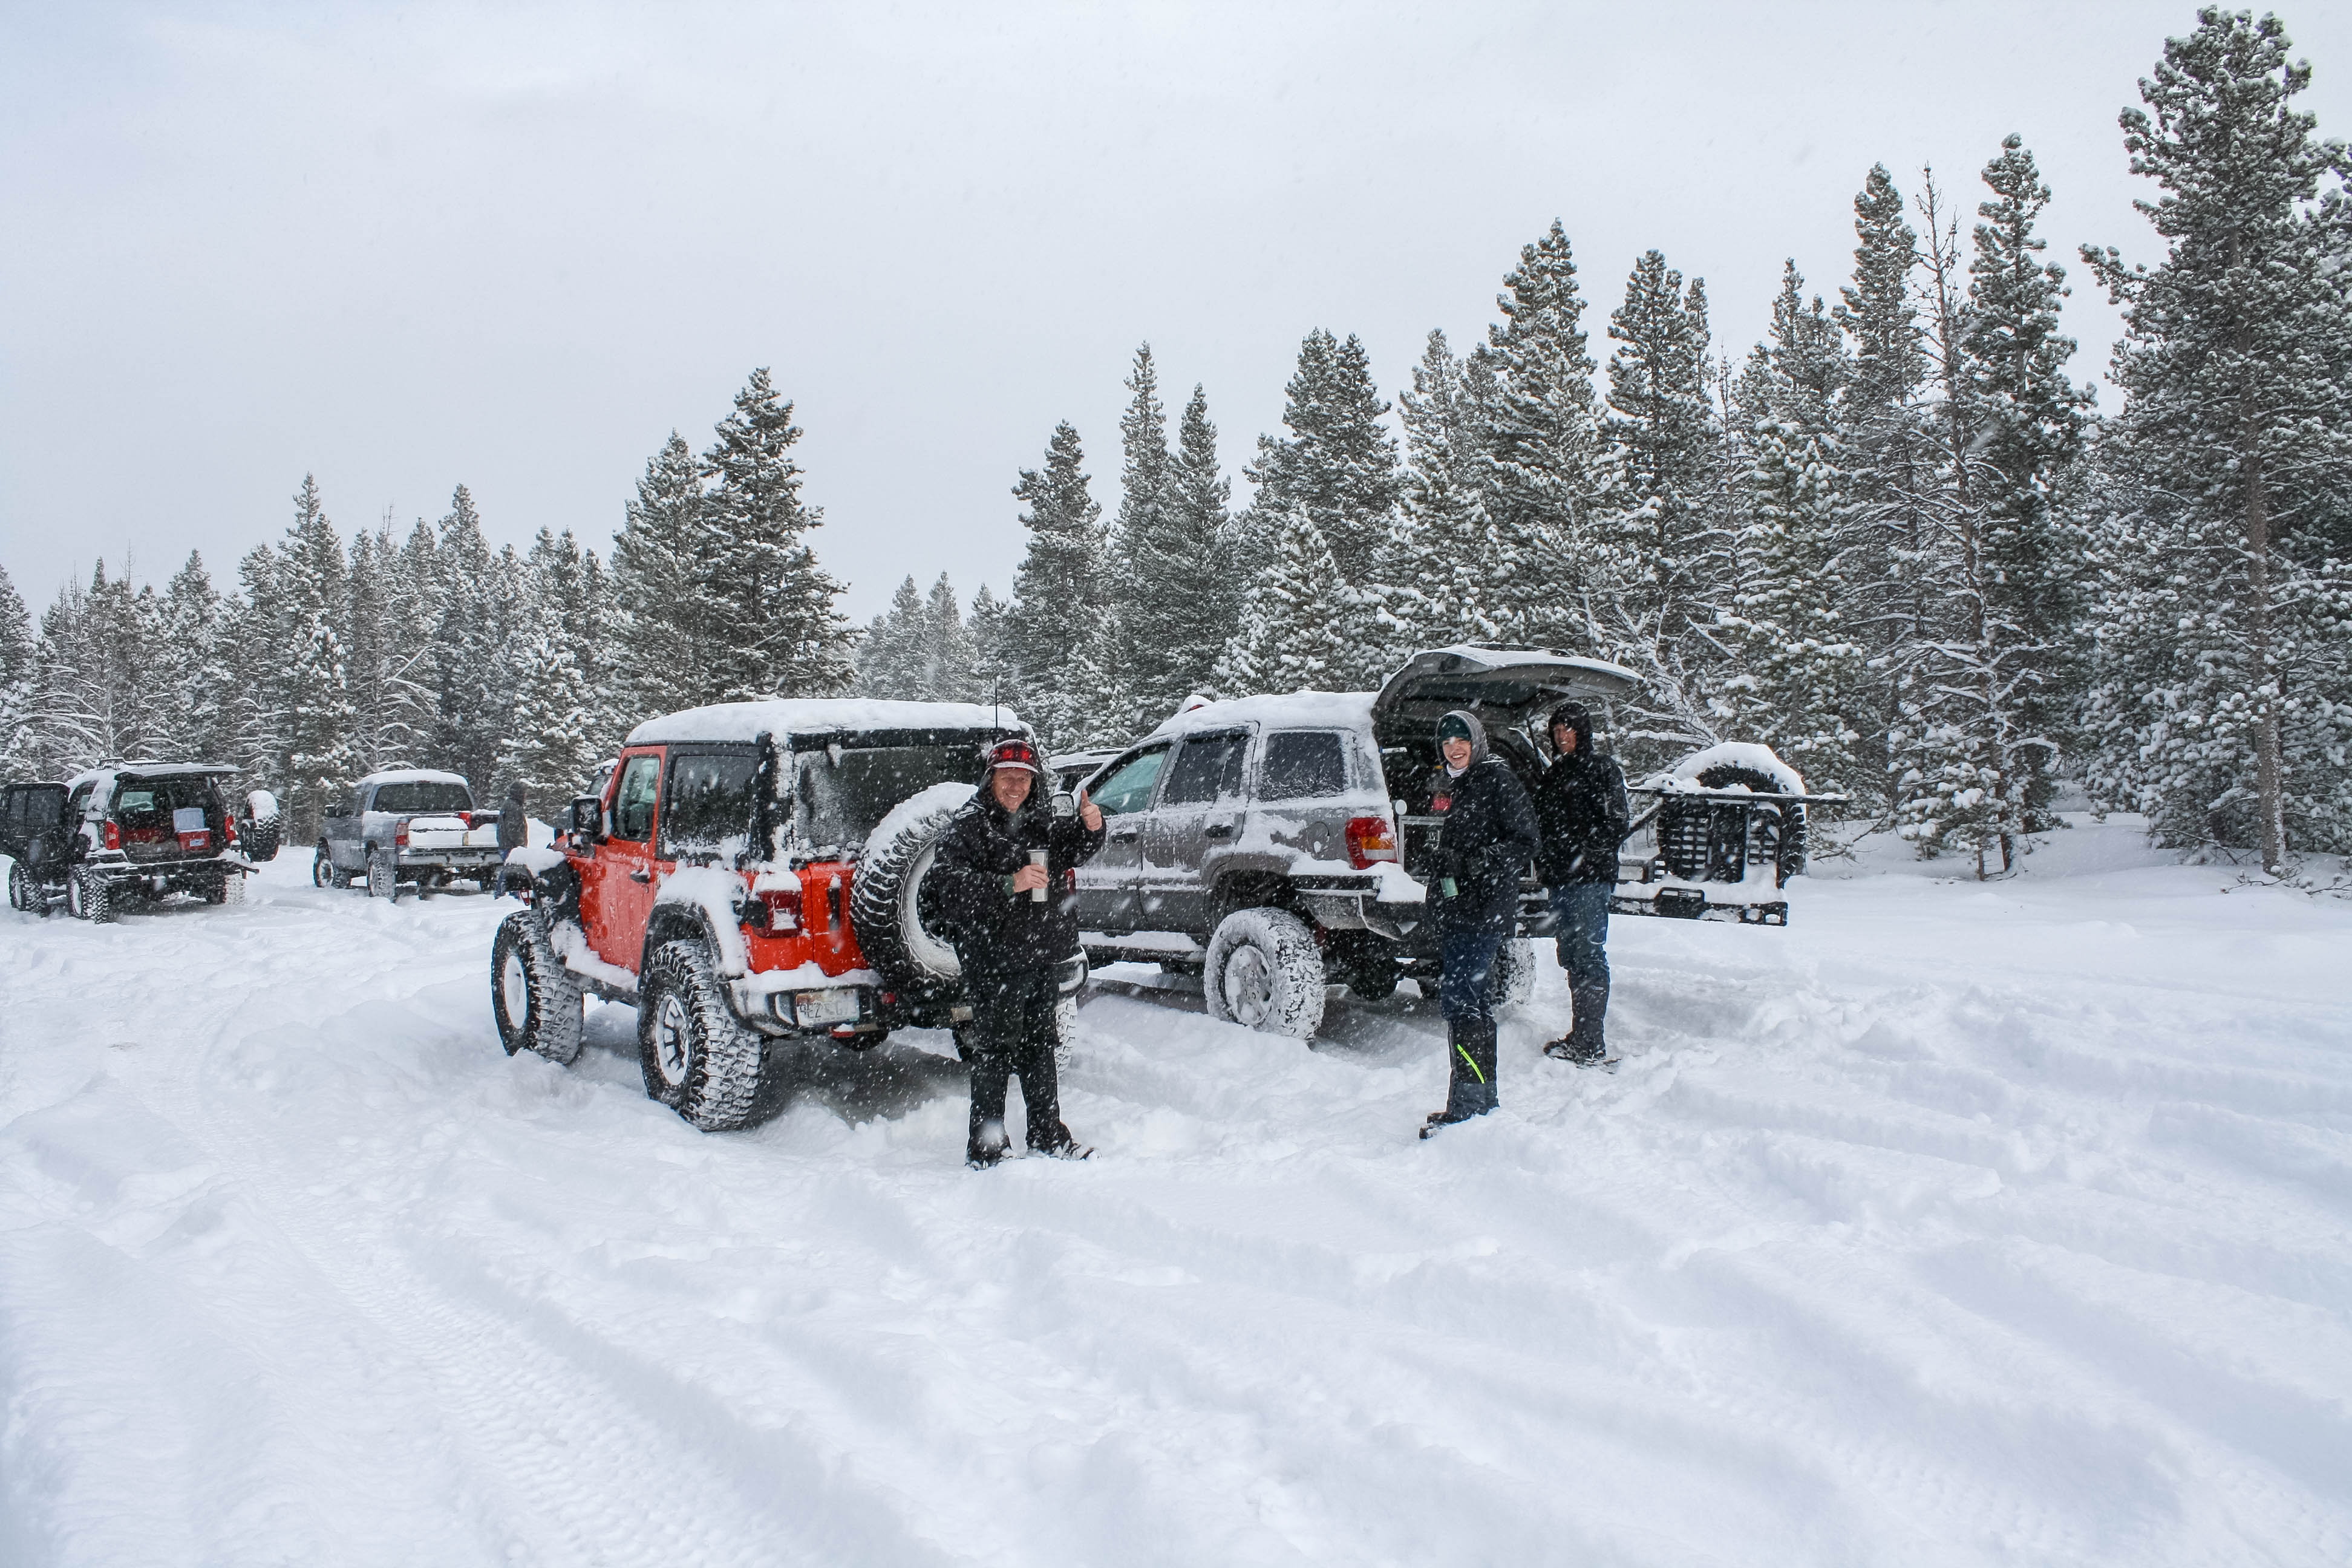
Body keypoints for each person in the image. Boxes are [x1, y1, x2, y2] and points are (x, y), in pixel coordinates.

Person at [931, 736, 1108, 1169]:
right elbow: (945, 891)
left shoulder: (1038, 820)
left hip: (1038, 955)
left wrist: (1091, 826)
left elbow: (1074, 849)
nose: (1015, 786)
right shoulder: (969, 826)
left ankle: (1048, 1136)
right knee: (994, 1051)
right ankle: (988, 1148)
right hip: (992, 959)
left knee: (1040, 1049)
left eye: (1024, 779)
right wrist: (1009, 884)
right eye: (1007, 777)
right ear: (991, 778)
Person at [1420, 709, 1540, 1138]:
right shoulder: (1463, 783)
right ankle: (1481, 1100)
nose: (1455, 747)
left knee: (1462, 1001)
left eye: (1462, 739)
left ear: (1476, 741)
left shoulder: (1496, 779)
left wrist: (1478, 862)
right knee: (1472, 1001)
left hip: (1482, 909)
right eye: (1447, 741)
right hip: (1463, 908)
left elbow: (1527, 839)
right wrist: (1445, 861)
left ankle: (1468, 1105)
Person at [1530, 701, 1628, 1065]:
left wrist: (1585, 853)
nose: (1561, 736)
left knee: (1588, 954)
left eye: (1567, 729)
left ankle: (1591, 1043)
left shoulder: (1602, 770)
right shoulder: (1555, 773)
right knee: (1571, 954)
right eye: (1556, 731)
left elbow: (1617, 822)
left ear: (1582, 731)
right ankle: (1582, 1034)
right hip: (1561, 879)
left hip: (1590, 879)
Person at [495, 780, 529, 895]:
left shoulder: (511, 804)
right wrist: (521, 844)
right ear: (519, 793)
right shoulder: (513, 807)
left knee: (509, 871)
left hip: (507, 845)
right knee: (512, 872)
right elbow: (513, 830)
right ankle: (505, 895)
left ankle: (505, 894)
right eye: (524, 792)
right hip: (511, 846)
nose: (526, 795)